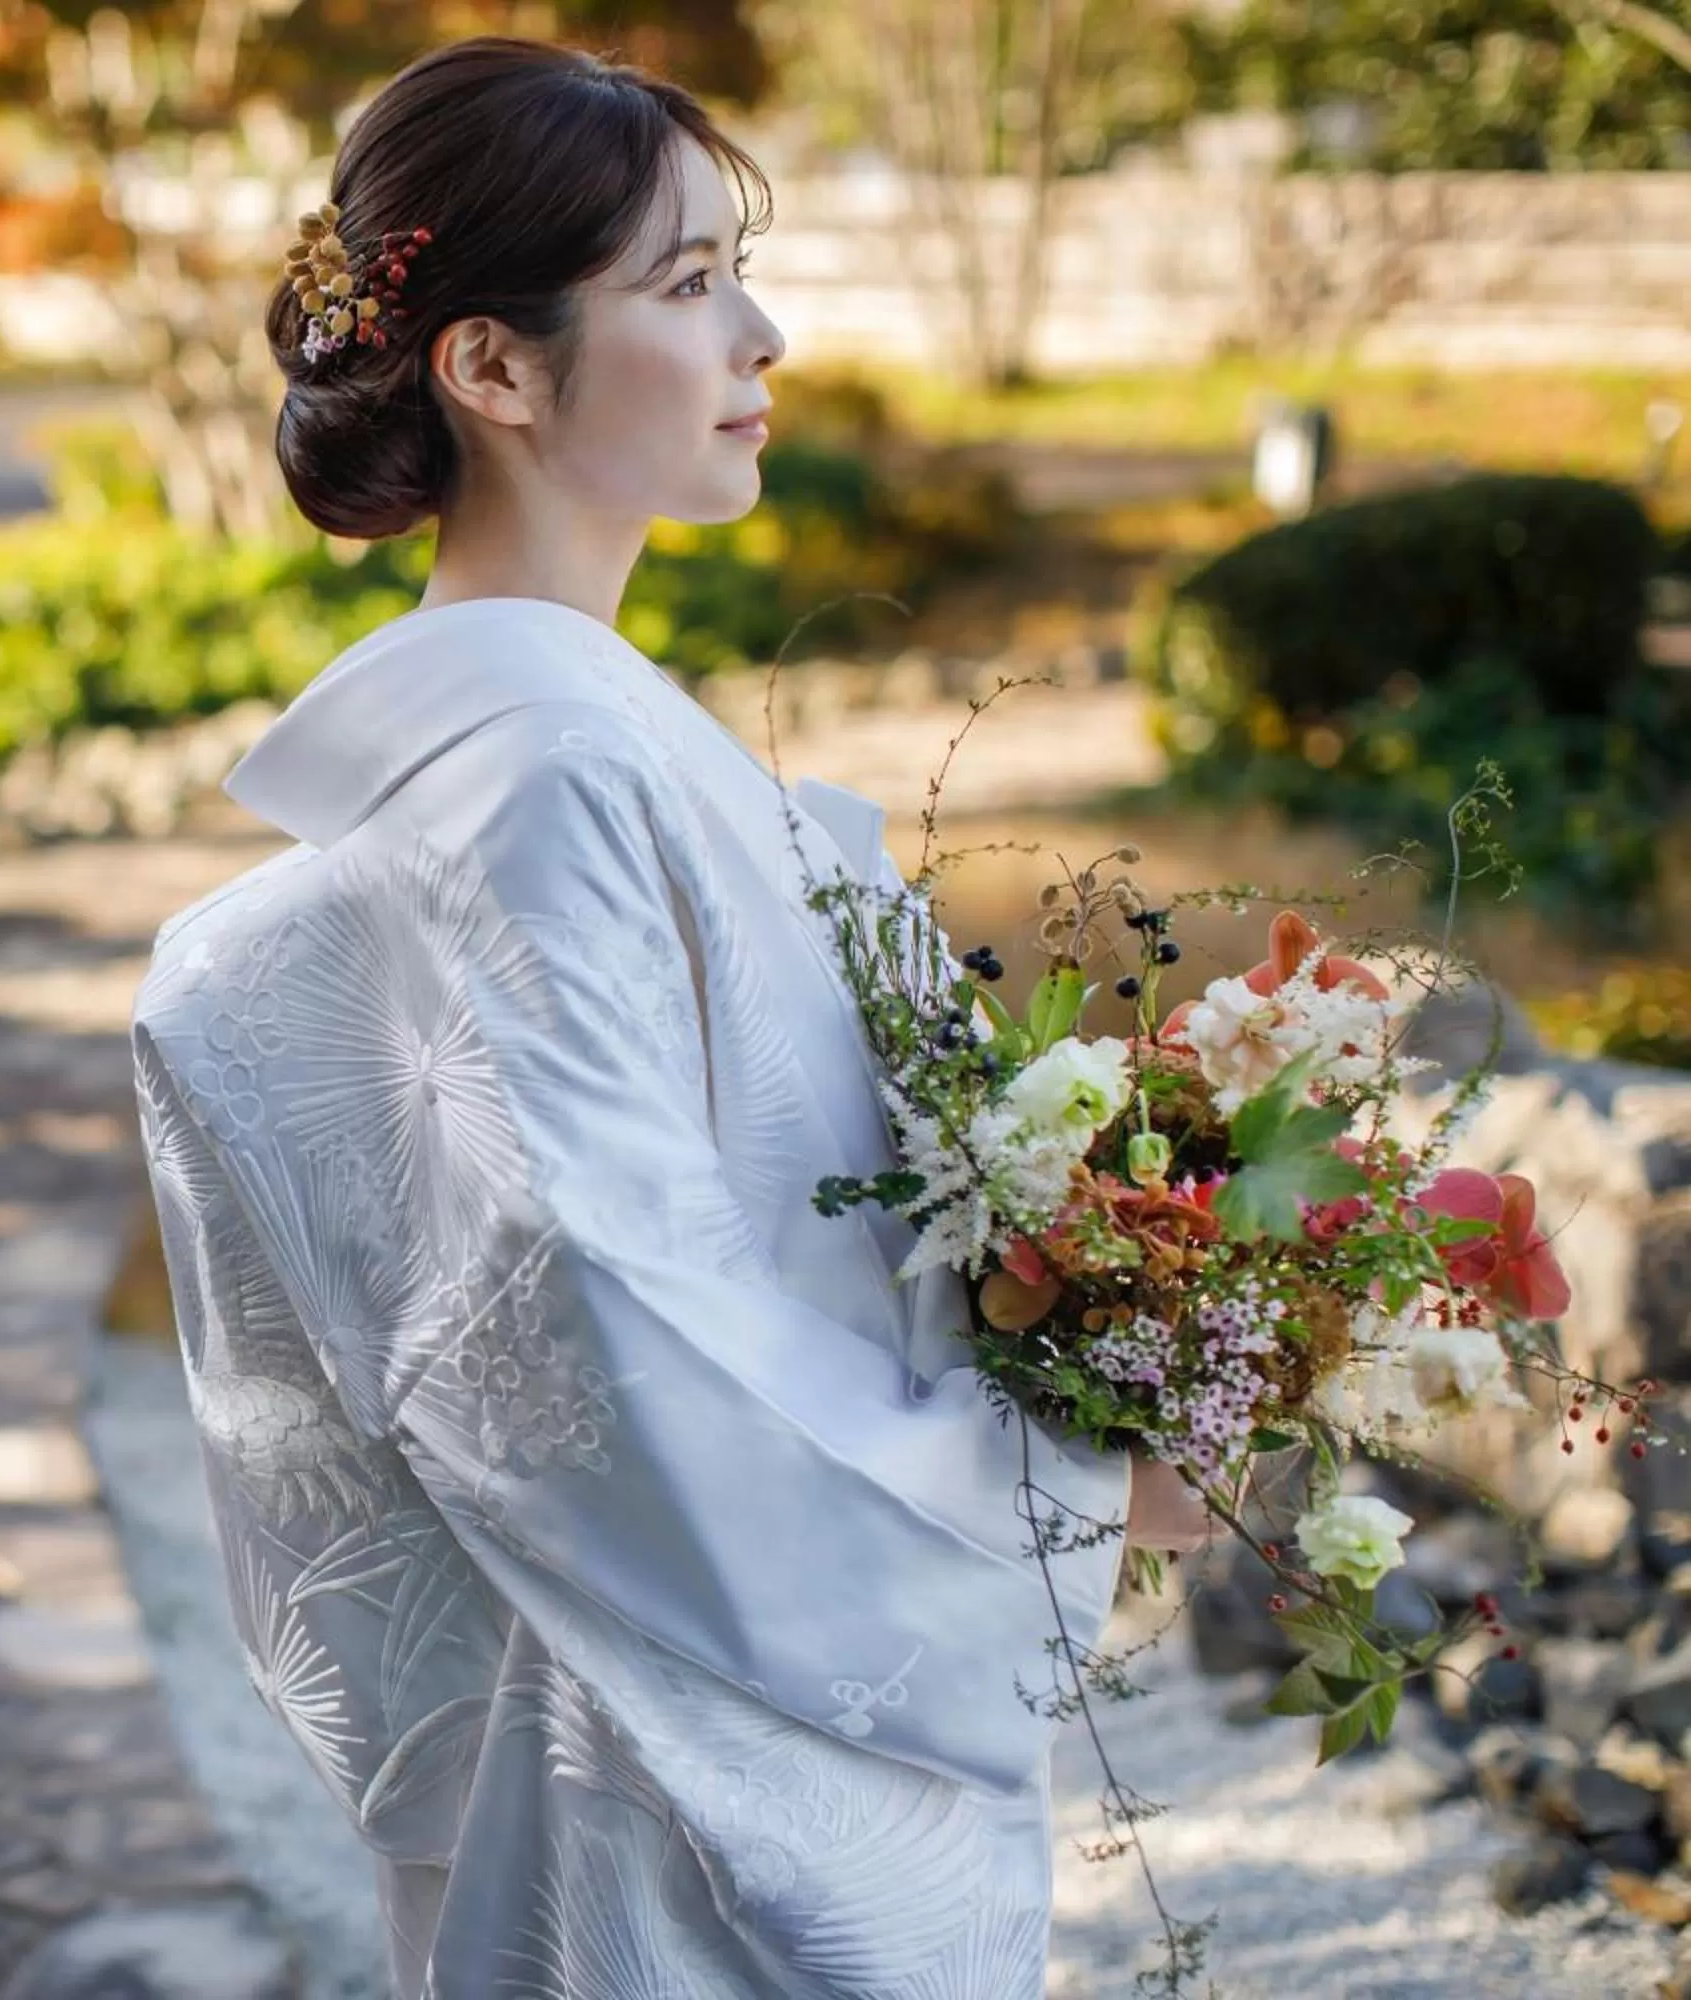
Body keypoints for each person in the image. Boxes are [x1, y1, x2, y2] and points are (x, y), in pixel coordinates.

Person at [126, 35, 1219, 2000]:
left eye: (740, 275)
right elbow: (601, 1336)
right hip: (653, 1771)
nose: (764, 337)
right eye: (691, 283)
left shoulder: (580, 735)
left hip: (672, 1736)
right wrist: (1062, 1485)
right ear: (494, 367)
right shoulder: (540, 771)